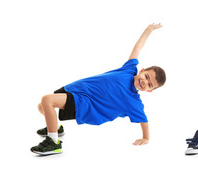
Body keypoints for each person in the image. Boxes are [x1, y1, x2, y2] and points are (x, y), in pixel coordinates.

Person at [31, 23, 166, 155]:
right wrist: (148, 30)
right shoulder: (129, 69)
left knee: (47, 100)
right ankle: (56, 129)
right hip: (77, 88)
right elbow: (137, 48)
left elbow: (144, 120)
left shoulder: (133, 101)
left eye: (149, 85)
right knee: (41, 106)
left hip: (85, 103)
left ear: (149, 91)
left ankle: (54, 143)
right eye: (146, 76)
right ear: (141, 70)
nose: (145, 82)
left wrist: (146, 137)